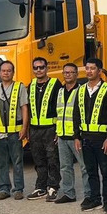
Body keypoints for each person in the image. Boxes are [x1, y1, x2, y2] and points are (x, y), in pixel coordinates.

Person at [73, 57, 107, 214]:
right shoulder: (81, 90)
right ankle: (95, 199)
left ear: (99, 71)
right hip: (86, 138)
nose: (89, 71)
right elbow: (76, 115)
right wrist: (76, 137)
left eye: (92, 68)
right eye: (87, 68)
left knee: (105, 171)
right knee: (90, 171)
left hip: (101, 138)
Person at [0, 60, 28, 201]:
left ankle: (18, 189)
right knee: (1, 162)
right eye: (3, 71)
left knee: (17, 161)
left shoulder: (19, 87)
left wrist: (24, 127)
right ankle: (4, 189)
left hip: (15, 132)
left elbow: (24, 108)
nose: (6, 73)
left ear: (13, 73)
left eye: (9, 70)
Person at [52, 63, 90, 204]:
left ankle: (89, 194)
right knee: (65, 167)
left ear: (76, 74)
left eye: (71, 72)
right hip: (62, 135)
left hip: (76, 137)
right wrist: (57, 132)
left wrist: (78, 135)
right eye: (65, 72)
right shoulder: (60, 91)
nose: (67, 75)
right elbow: (59, 113)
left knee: (85, 167)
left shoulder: (82, 91)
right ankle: (69, 194)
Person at [26, 57, 62, 201]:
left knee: (52, 159)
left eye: (41, 67)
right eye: (35, 68)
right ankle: (40, 187)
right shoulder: (31, 85)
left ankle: (53, 187)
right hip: (35, 129)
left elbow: (61, 107)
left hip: (50, 129)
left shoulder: (55, 84)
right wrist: (27, 129)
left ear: (46, 68)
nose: (38, 70)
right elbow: (28, 109)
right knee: (38, 159)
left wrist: (59, 129)